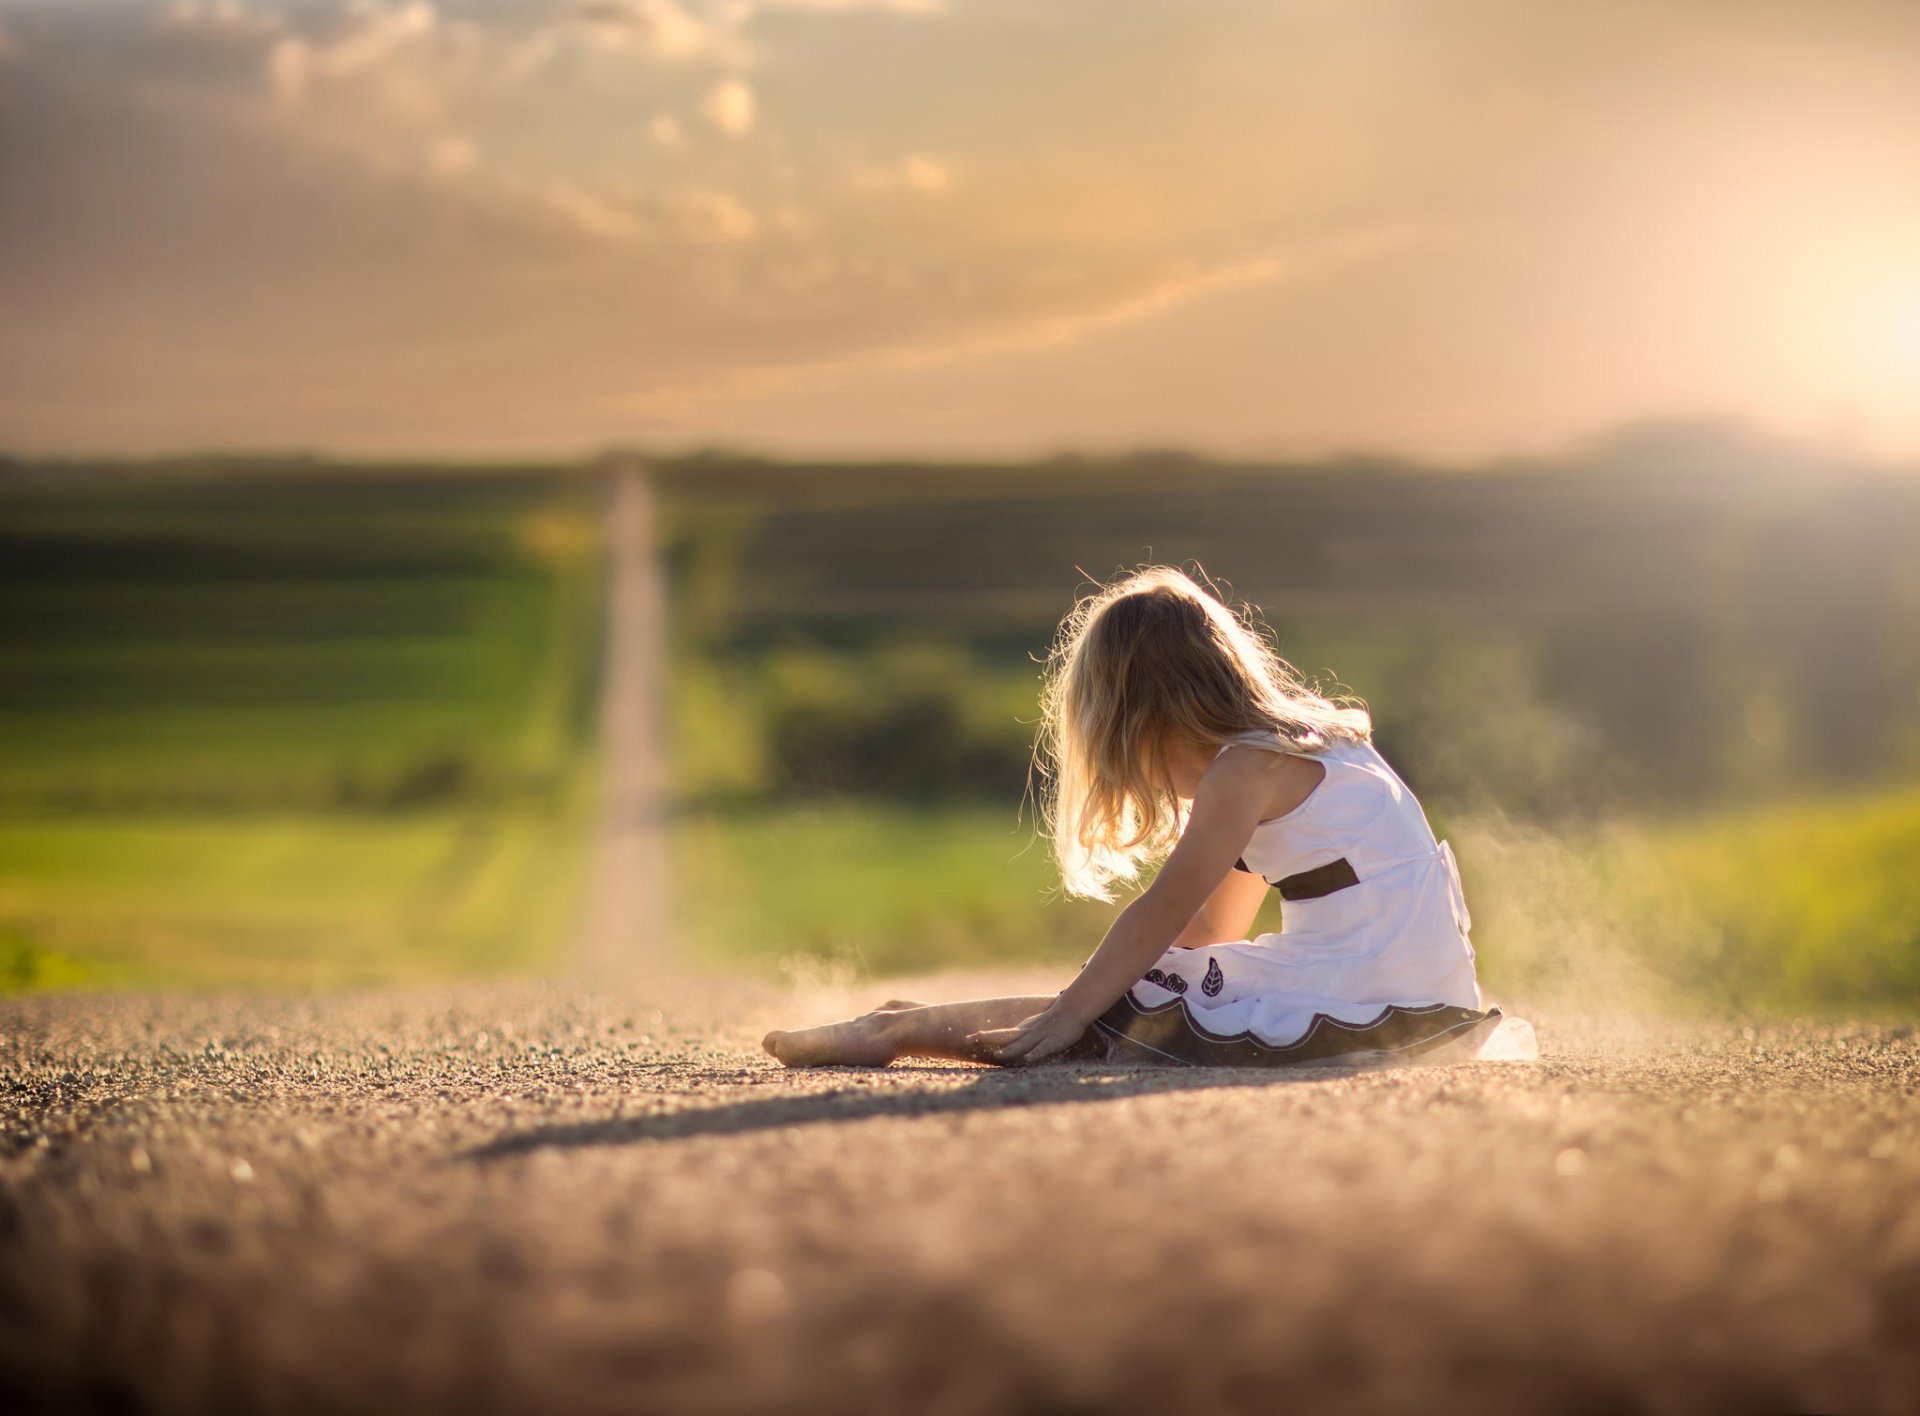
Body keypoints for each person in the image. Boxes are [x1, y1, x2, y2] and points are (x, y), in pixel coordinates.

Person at [762, 565, 1528, 1069]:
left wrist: (1071, 1013)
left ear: (1139, 717)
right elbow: (1205, 937)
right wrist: (1096, 996)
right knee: (1144, 995)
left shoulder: (1241, 771)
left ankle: (895, 1030)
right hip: (1416, 985)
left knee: (1118, 1013)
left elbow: (1164, 911)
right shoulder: (1304, 747)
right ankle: (908, 1021)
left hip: (1372, 999)